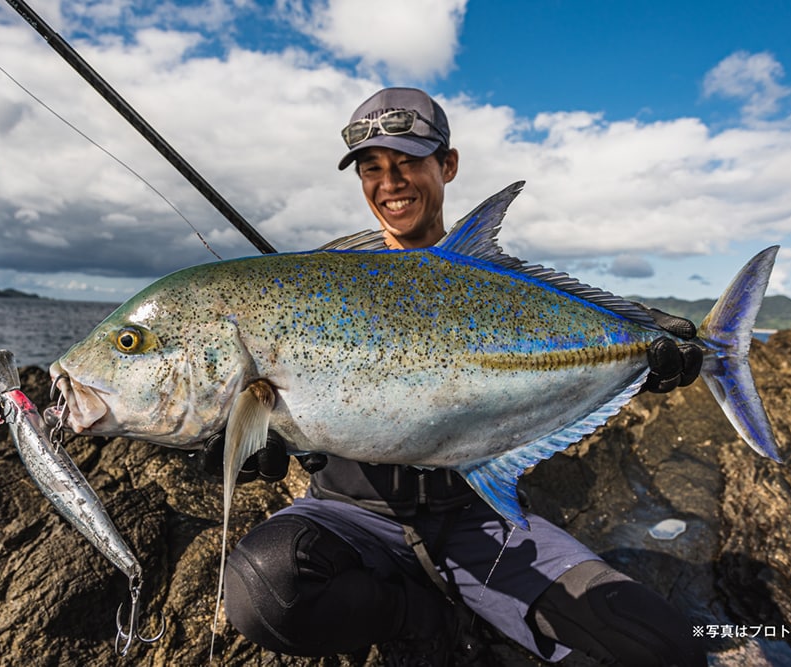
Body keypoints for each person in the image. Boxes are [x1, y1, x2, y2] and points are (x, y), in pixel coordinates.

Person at [223, 87, 706, 666]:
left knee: (664, 651)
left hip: (478, 518)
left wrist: (635, 351)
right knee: (261, 593)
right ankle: (423, 617)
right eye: (372, 169)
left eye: (408, 162)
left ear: (448, 165)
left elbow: (556, 349)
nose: (391, 182)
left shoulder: (502, 292)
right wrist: (242, 439)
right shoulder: (318, 283)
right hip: (348, 513)